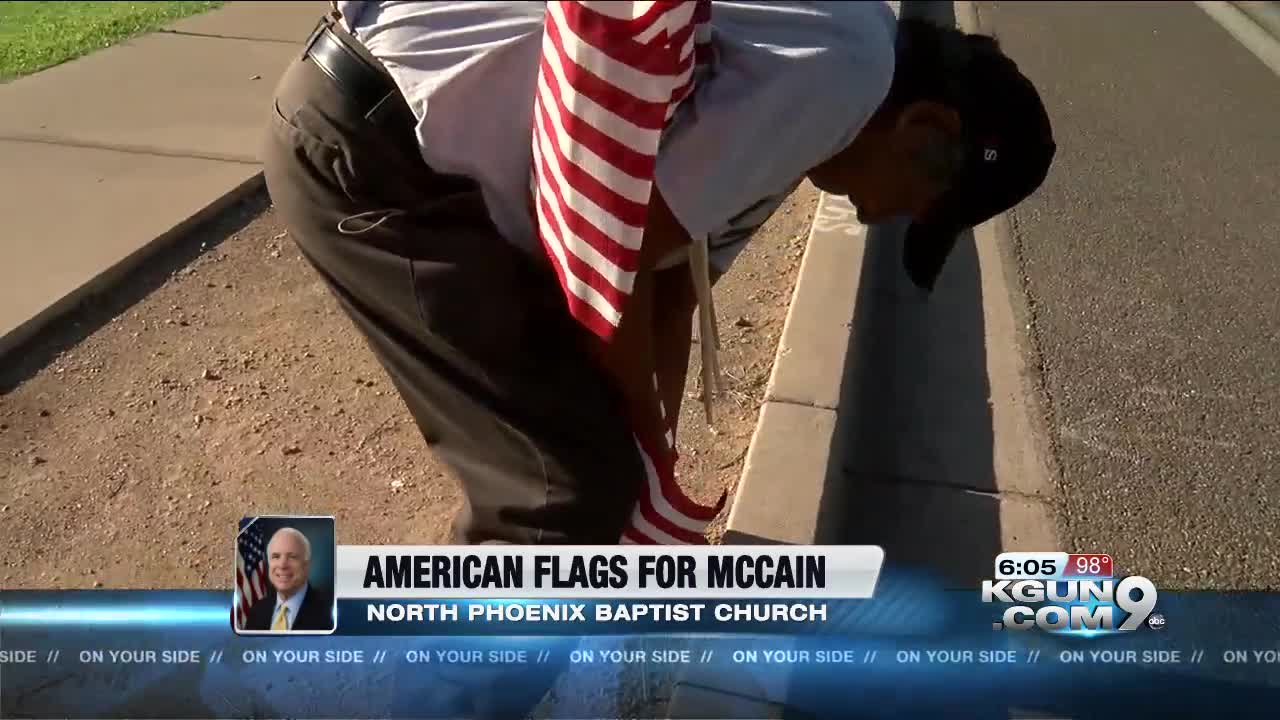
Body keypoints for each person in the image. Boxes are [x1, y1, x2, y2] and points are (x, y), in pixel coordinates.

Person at [261, 1, 1054, 550]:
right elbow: (621, 247)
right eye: (918, 211)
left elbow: (672, 280)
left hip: (408, 151)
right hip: (376, 159)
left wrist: (656, 463)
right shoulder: (843, 74)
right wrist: (638, 471)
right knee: (561, 495)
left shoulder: (830, 86)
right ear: (930, 133)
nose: (886, 223)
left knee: (602, 475)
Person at [245, 527, 334, 632]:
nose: (282, 565)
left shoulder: (328, 612)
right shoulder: (257, 611)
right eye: (276, 556)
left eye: (292, 557)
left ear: (307, 565)